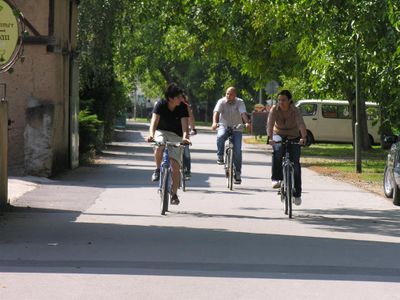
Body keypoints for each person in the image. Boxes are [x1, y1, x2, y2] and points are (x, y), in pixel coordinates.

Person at [146, 83, 190, 205]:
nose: (181, 99)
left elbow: (185, 128)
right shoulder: (160, 105)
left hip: (176, 135)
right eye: (179, 97)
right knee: (159, 144)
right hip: (161, 131)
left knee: (175, 167)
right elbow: (154, 123)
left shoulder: (182, 107)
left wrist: (185, 138)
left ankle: (174, 194)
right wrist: (151, 135)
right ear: (171, 98)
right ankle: (157, 169)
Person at [267, 90, 307, 205]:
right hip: (278, 134)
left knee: (296, 164)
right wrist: (270, 138)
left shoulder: (295, 110)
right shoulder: (274, 109)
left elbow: (301, 124)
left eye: (283, 100)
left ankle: (297, 194)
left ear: (290, 100)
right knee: (278, 150)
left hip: (293, 135)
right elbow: (270, 124)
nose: (281, 102)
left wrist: (303, 137)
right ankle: (276, 179)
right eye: (279, 100)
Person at [211, 86, 251, 184]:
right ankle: (220, 155)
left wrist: (247, 123)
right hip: (223, 126)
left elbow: (243, 114)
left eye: (231, 94)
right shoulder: (221, 101)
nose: (228, 95)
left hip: (237, 127)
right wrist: (214, 123)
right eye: (227, 93)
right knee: (220, 136)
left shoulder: (240, 102)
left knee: (237, 150)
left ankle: (237, 173)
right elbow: (216, 112)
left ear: (235, 95)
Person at [182, 94, 197, 180]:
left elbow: (191, 119)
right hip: (174, 132)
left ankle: (187, 170)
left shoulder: (187, 108)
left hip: (185, 132)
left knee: (186, 152)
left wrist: (193, 129)